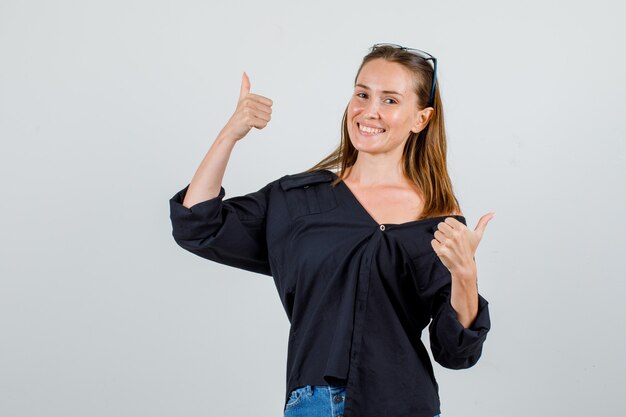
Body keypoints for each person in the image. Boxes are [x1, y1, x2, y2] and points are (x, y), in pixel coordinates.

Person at [169, 43, 494, 417]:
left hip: (403, 405)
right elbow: (197, 225)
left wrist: (465, 276)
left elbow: (456, 353)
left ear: (421, 119)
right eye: (362, 94)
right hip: (315, 405)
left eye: (390, 100)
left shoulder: (437, 219)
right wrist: (230, 134)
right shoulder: (298, 201)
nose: (369, 111)